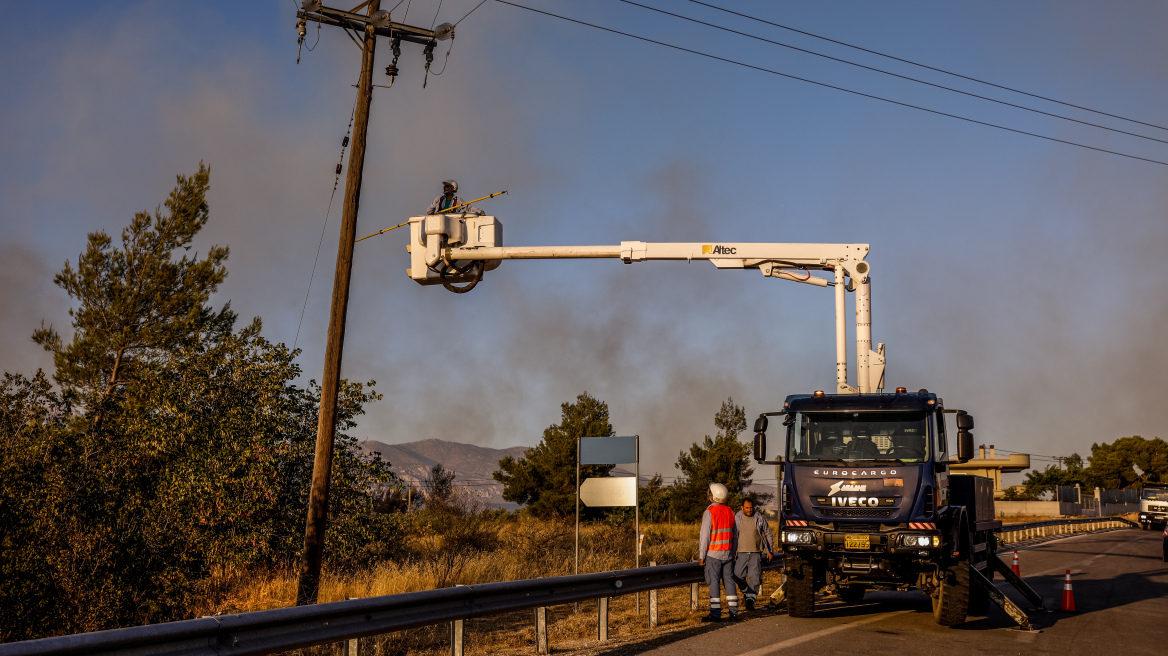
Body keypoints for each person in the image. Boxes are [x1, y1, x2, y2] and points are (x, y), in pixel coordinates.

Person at [699, 482, 739, 622]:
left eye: (710, 492)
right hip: (727, 554)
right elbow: (735, 535)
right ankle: (734, 612)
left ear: (713, 496)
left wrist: (701, 556)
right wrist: (732, 553)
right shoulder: (730, 511)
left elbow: (705, 536)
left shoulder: (709, 512)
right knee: (729, 582)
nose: (708, 493)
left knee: (713, 583)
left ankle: (716, 614)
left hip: (713, 555)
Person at [733, 498, 775, 611]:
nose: (749, 510)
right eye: (747, 508)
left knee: (754, 579)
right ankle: (748, 594)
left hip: (756, 553)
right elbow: (732, 535)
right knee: (737, 576)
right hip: (741, 553)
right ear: (742, 508)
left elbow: (768, 533)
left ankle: (750, 602)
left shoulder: (759, 518)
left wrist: (770, 551)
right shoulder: (737, 518)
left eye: (751, 507)